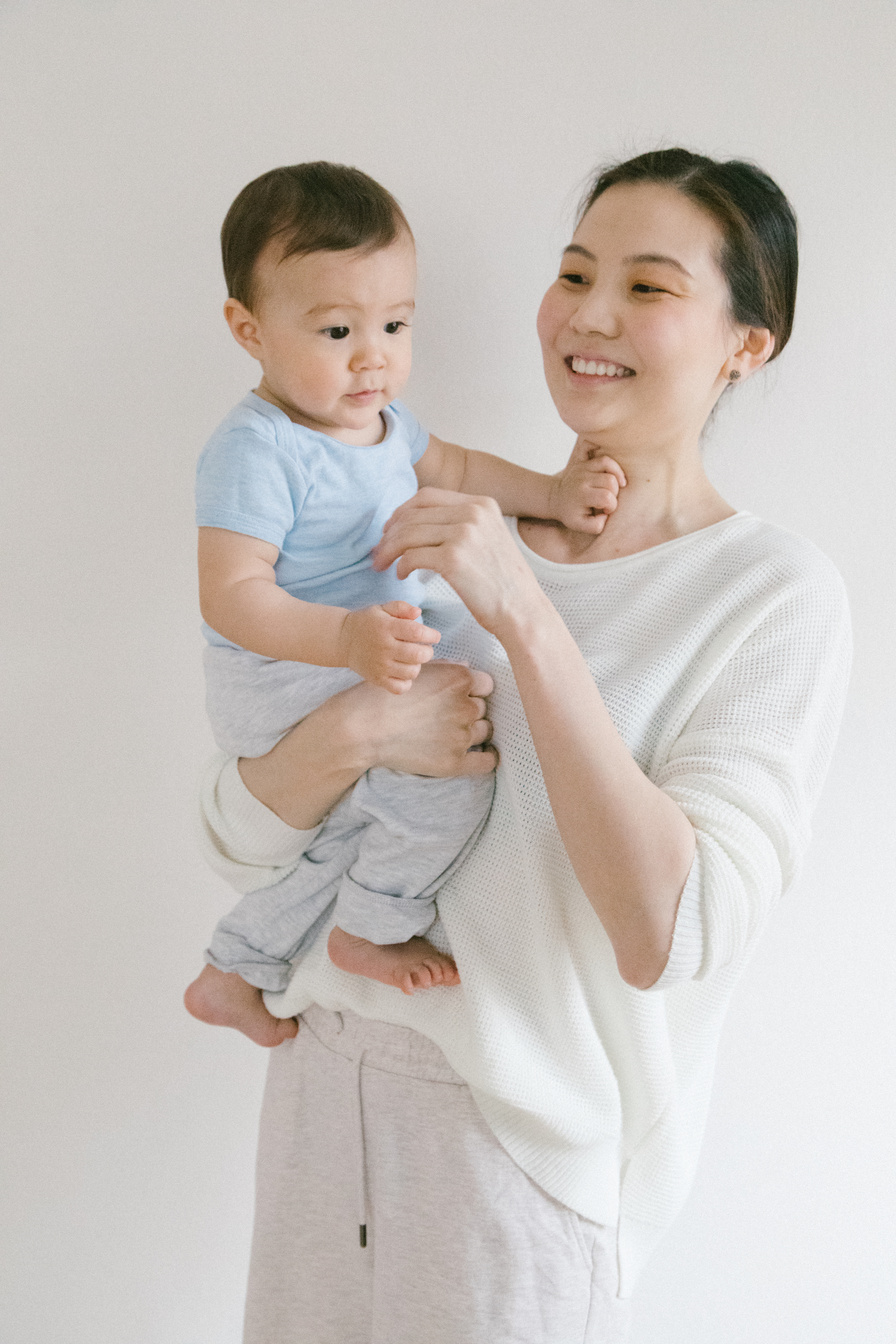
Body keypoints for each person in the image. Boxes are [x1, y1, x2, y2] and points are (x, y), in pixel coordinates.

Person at [195, 150, 851, 1341]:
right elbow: (241, 835)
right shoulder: (438, 516)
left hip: (511, 1147)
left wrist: (526, 614)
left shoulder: (766, 594)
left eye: (647, 288)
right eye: (573, 272)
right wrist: (359, 722)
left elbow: (670, 932)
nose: (588, 315)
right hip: (319, 1085)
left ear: (744, 344)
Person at [184, 162, 621, 1046]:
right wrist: (344, 639)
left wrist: (552, 491)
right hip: (281, 666)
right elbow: (230, 597)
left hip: (363, 647)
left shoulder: (378, 420)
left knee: (369, 813)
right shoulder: (257, 449)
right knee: (449, 773)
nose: (373, 353)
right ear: (249, 329)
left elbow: (454, 469)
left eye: (394, 323)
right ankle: (372, 926)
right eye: (338, 328)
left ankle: (237, 967)